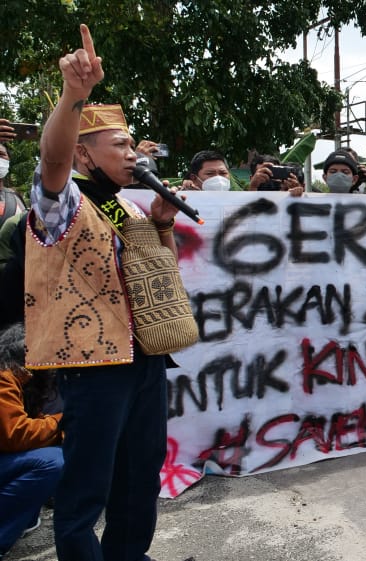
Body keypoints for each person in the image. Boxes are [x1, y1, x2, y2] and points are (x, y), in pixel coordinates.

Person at [27, 25, 182, 560]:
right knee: (86, 491)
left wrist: (162, 224)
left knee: (139, 482)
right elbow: (52, 161)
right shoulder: (63, 202)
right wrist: (74, 96)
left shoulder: (134, 207)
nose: (132, 153)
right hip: (93, 366)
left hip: (145, 362)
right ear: (86, 154)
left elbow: (156, 278)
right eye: (119, 144)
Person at [0, 323, 63, 559]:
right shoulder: (6, 377)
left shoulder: (17, 380)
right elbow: (17, 435)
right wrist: (61, 423)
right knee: (52, 462)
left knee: (51, 452)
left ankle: (24, 517)